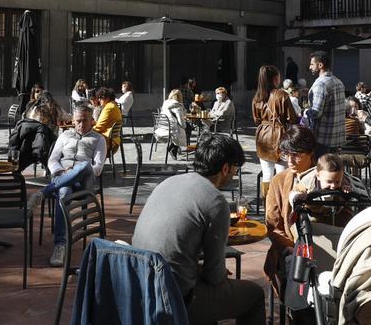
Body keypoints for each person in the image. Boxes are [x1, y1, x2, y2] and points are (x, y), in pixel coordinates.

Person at [133, 133, 264, 325]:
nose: (235, 174)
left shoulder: (168, 182)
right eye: (236, 169)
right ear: (225, 168)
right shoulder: (215, 201)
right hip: (174, 296)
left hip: (140, 284)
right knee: (254, 295)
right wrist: (208, 271)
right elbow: (214, 276)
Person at [37, 105, 107, 267]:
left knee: (84, 166)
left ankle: (45, 192)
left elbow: (97, 168)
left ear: (92, 121)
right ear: (73, 121)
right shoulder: (65, 135)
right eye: (78, 121)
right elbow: (52, 160)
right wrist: (61, 171)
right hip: (63, 177)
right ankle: (60, 245)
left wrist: (76, 170)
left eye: (85, 121)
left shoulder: (98, 139)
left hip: (85, 181)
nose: (81, 124)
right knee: (64, 192)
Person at [264, 126, 317, 286]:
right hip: (290, 247)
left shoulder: (326, 179)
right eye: (287, 155)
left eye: (297, 155)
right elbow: (272, 224)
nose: (290, 161)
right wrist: (289, 247)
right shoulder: (279, 181)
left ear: (311, 153)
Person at [253, 65, 297, 199]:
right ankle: (281, 204)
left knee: (267, 175)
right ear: (275, 78)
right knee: (282, 175)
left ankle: (268, 206)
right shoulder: (282, 95)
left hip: (262, 137)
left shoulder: (257, 97)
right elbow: (292, 118)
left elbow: (256, 120)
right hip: (280, 136)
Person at [308, 50, 346, 154]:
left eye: (312, 64)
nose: (310, 67)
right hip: (337, 138)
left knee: (321, 169)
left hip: (322, 139)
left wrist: (304, 112)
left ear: (320, 65)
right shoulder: (339, 82)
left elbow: (316, 112)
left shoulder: (320, 84)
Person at [10, 103, 57, 173]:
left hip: (19, 158)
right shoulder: (42, 128)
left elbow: (12, 143)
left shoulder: (20, 124)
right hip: (35, 155)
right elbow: (41, 149)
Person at [91, 87, 122, 158]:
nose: (99, 100)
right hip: (113, 140)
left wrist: (87, 131)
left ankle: (90, 165)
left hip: (109, 143)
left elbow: (99, 127)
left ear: (107, 98)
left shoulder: (109, 108)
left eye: (100, 98)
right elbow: (102, 124)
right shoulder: (113, 105)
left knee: (84, 141)